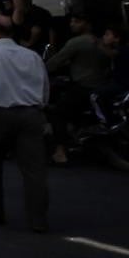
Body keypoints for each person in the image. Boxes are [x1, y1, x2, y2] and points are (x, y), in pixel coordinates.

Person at [0, 15, 51, 232]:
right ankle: (38, 219)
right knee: (34, 169)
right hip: (30, 113)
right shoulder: (32, 56)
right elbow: (44, 88)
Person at [46, 12, 117, 166]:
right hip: (102, 86)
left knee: (57, 113)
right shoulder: (101, 41)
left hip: (84, 87)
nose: (72, 24)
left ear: (87, 24)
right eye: (72, 21)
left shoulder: (77, 42)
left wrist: (41, 68)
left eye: (77, 21)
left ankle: (60, 152)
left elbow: (55, 62)